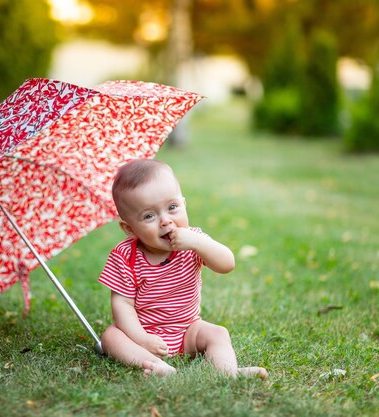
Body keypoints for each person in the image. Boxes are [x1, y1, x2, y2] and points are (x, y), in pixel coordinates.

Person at [99, 159, 268, 378]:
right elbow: (122, 304)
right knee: (111, 336)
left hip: (188, 331)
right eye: (149, 216)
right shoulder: (125, 256)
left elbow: (227, 264)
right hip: (143, 333)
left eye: (172, 208)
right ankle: (155, 365)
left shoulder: (194, 241)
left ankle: (228, 372)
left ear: (184, 204)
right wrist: (142, 338)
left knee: (217, 333)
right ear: (130, 229)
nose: (166, 221)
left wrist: (198, 243)